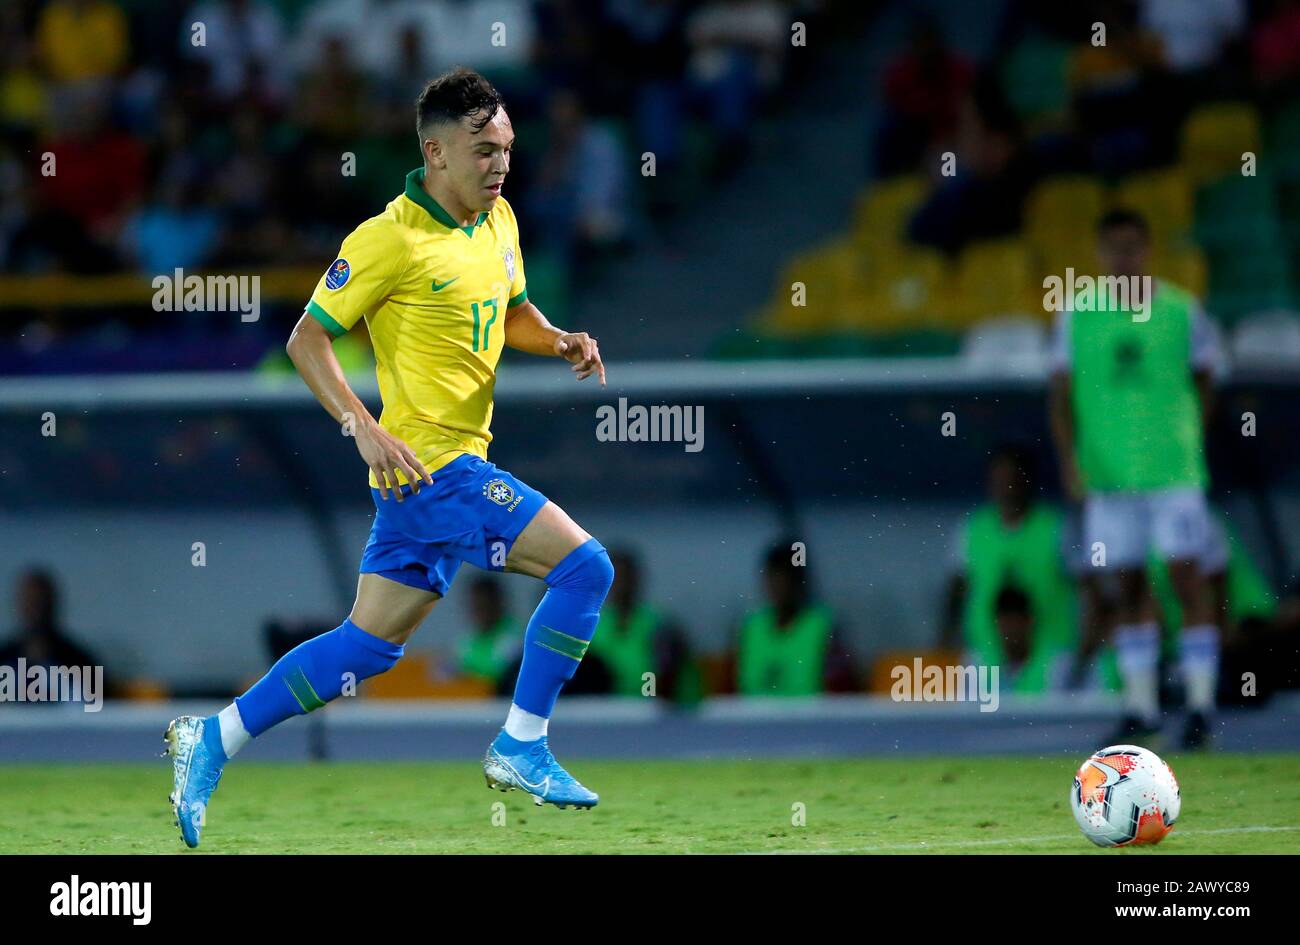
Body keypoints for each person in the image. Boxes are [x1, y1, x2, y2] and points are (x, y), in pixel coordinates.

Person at [164, 69, 612, 848]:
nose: (500, 163)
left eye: (506, 147)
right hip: (438, 471)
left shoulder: (498, 221)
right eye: (483, 150)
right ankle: (521, 744)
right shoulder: (388, 238)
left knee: (365, 646)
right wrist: (360, 423)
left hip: (424, 482)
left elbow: (510, 313)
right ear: (435, 152)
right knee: (586, 568)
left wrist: (560, 338)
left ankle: (215, 735)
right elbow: (306, 338)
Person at [1049, 208, 1224, 748]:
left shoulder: (1180, 311)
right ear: (1099, 255)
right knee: (1125, 588)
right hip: (1109, 480)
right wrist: (1071, 462)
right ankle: (1142, 706)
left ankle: (1198, 705)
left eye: (1132, 247)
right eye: (1112, 249)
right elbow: (1059, 394)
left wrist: (1189, 436)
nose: (1123, 259)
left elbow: (1207, 377)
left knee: (1186, 581)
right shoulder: (1077, 316)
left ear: (1147, 250)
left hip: (1172, 475)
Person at [942, 445, 1077, 694]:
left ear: (1029, 481)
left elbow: (1088, 588)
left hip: (1052, 653)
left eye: (1014, 478)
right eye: (1000, 479)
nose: (1007, 486)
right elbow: (957, 590)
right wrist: (945, 641)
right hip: (986, 651)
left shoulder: (1057, 528)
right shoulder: (971, 530)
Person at [735, 541, 855, 696]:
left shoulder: (823, 626)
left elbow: (841, 694)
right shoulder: (751, 627)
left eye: (784, 577)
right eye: (772, 577)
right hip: (754, 719)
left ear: (798, 581)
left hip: (810, 719)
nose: (776, 585)